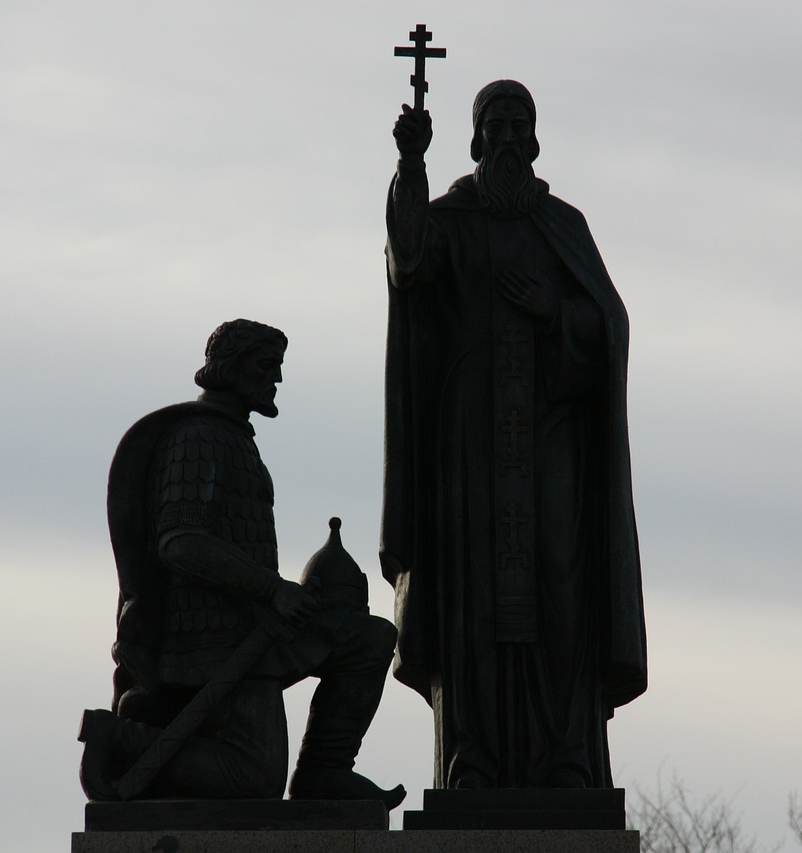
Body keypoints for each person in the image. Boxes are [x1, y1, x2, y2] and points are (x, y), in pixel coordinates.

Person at [382, 80, 647, 789]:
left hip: (551, 436)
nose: (505, 136)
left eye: (516, 124)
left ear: (533, 140)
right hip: (468, 440)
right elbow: (408, 260)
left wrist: (554, 311)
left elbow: (609, 326)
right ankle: (474, 757)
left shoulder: (562, 224)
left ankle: (565, 760)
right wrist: (412, 164)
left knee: (559, 581)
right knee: (472, 592)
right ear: (475, 139)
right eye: (493, 124)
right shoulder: (451, 219)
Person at [80, 319, 404, 807]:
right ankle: (123, 740)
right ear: (229, 369)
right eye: (265, 367)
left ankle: (324, 769)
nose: (275, 380)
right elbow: (181, 542)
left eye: (277, 368)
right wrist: (272, 589)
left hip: (253, 625)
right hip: (210, 639)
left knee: (368, 639)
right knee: (253, 782)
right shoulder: (198, 438)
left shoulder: (234, 439)